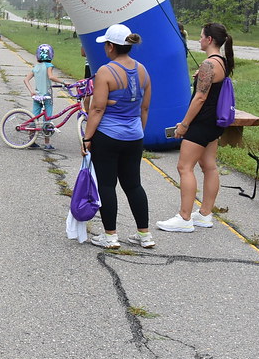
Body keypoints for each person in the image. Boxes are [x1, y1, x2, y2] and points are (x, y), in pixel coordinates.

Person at [81, 23, 154, 249]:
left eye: (106, 45)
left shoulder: (105, 71)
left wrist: (87, 137)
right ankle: (144, 235)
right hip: (134, 136)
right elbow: (144, 108)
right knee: (133, 185)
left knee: (107, 184)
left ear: (111, 47)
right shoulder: (142, 70)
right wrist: (138, 132)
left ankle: (110, 236)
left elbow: (97, 109)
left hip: (108, 136)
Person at [158, 23, 235, 233]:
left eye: (201, 36)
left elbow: (200, 98)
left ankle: (184, 217)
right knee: (209, 166)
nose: (199, 39)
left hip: (202, 123)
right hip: (214, 124)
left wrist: (184, 125)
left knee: (184, 167)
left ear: (209, 40)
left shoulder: (209, 64)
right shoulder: (221, 62)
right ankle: (204, 215)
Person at [24, 44, 63, 150]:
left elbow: (26, 80)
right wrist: (63, 82)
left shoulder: (35, 67)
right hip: (47, 96)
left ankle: (31, 141)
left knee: (35, 117)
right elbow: (50, 76)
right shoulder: (49, 66)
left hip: (37, 96)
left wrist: (32, 91)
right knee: (47, 119)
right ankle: (47, 143)